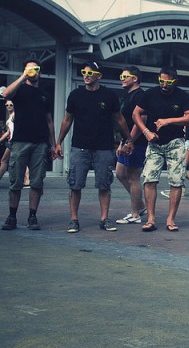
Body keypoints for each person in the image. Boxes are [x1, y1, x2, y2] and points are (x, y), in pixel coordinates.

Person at [55, 61, 133, 233]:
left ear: (99, 75)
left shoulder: (109, 96)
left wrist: (129, 139)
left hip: (103, 147)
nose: (86, 75)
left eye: (90, 73)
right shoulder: (75, 95)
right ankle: (74, 220)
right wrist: (58, 142)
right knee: (75, 184)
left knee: (104, 184)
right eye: (84, 72)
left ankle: (104, 219)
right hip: (79, 147)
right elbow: (67, 120)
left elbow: (119, 119)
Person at [133, 66, 189, 232]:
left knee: (176, 180)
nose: (164, 84)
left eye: (168, 82)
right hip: (154, 143)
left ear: (175, 81)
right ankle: (151, 219)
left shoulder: (182, 96)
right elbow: (136, 114)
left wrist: (168, 121)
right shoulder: (150, 94)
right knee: (149, 179)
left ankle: (170, 219)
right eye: (161, 81)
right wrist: (146, 132)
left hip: (175, 143)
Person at [0, 60, 56, 231]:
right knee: (15, 181)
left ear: (40, 71)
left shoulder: (44, 94)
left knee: (37, 182)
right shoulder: (20, 89)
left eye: (36, 69)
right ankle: (12, 216)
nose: (33, 71)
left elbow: (49, 120)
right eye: (30, 69)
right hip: (20, 142)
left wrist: (53, 144)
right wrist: (23, 76)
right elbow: (6, 94)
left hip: (40, 143)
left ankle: (32, 216)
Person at [115, 66, 147, 225]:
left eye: (125, 76)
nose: (121, 78)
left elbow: (141, 121)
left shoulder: (140, 95)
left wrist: (129, 142)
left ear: (135, 79)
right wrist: (122, 142)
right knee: (120, 173)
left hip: (136, 143)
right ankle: (140, 205)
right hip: (126, 141)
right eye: (121, 75)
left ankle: (135, 214)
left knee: (134, 177)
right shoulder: (128, 95)